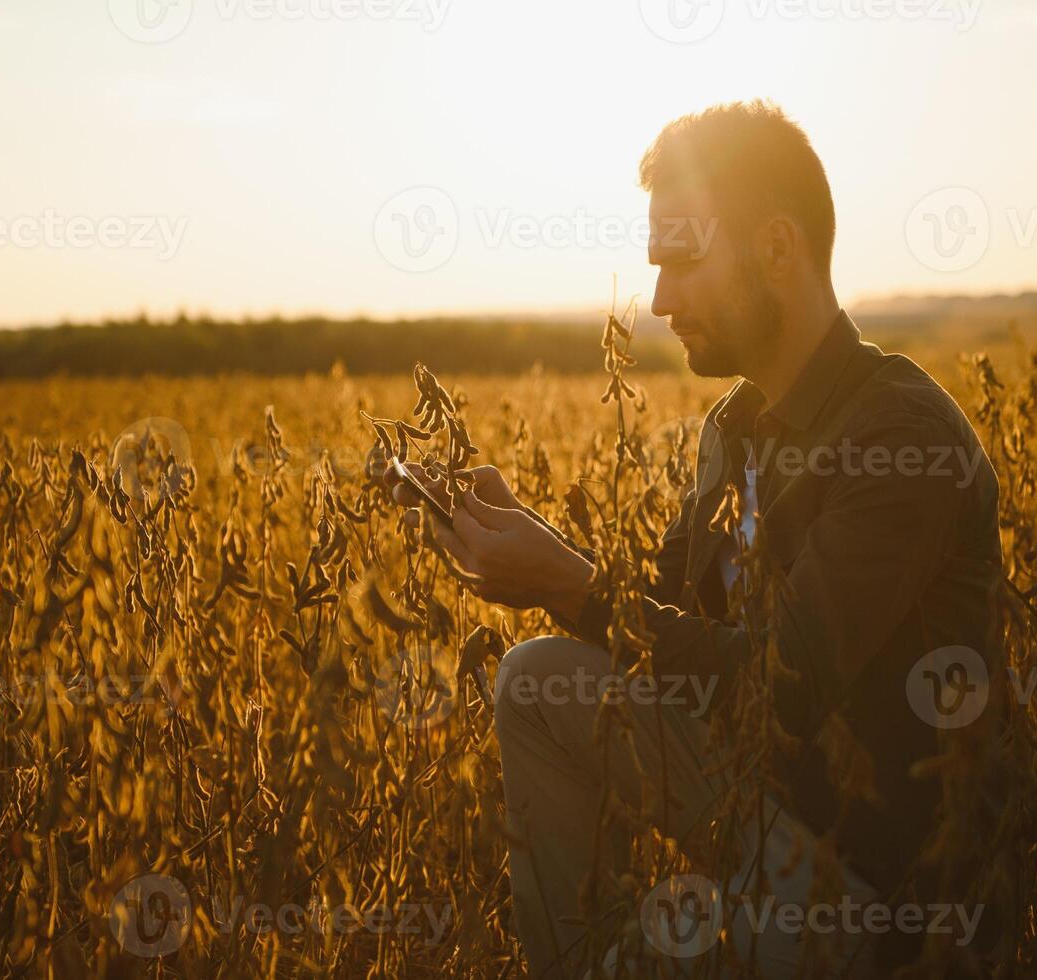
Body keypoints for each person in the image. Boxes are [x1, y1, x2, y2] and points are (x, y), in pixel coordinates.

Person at [386, 99, 1005, 979]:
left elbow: (776, 687)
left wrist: (561, 581)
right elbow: (657, 617)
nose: (662, 300)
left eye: (682, 262)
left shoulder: (900, 437)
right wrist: (522, 534)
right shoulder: (737, 425)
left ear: (776, 249)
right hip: (766, 820)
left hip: (880, 898)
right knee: (538, 681)